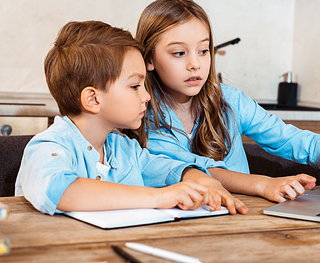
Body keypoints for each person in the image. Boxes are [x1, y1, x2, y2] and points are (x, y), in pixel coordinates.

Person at [133, 0, 320, 207]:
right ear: (149, 59)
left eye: (204, 50)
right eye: (179, 53)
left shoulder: (230, 101)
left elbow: (297, 142)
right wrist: (265, 185)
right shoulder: (141, 116)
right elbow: (198, 171)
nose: (195, 64)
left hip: (242, 217)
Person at [15, 20, 245, 216]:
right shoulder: (48, 146)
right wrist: (159, 197)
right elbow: (61, 190)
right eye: (135, 86)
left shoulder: (123, 148)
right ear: (93, 99)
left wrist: (203, 180)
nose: (146, 96)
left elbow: (165, 168)